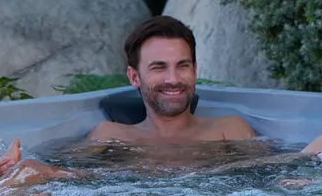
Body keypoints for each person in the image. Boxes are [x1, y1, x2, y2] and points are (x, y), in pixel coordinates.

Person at [87, 16, 256, 144]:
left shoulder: (229, 131)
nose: (173, 79)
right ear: (134, 77)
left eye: (183, 66)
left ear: (195, 70)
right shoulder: (110, 136)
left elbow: (269, 175)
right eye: (159, 67)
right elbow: (71, 177)